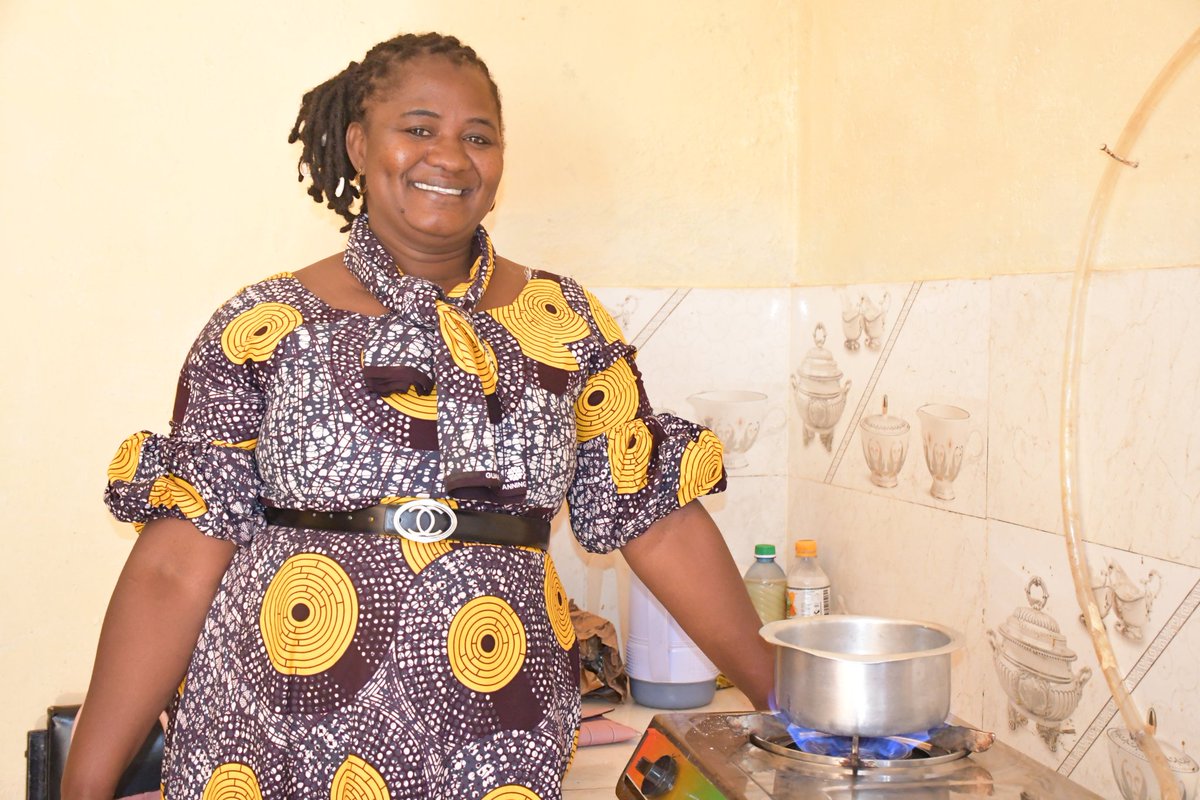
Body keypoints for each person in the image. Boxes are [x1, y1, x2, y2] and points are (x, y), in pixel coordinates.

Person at [62, 31, 774, 800]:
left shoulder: (564, 321)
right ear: (359, 144)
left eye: (479, 137)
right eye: (420, 128)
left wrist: (788, 702)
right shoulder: (267, 324)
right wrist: (87, 783)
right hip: (277, 738)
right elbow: (173, 568)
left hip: (497, 738)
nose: (451, 157)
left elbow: (659, 524)